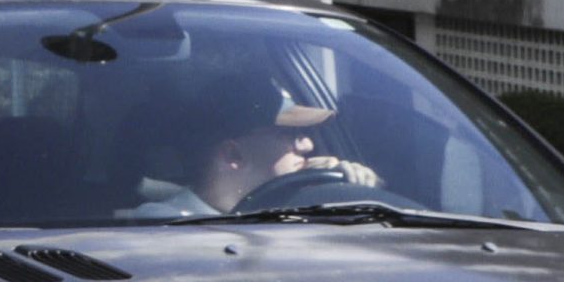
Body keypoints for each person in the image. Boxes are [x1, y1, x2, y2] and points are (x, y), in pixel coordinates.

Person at [126, 74, 380, 218]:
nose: (307, 144)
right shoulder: (160, 224)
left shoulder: (300, 211)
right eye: (288, 134)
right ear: (232, 154)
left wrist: (349, 191)